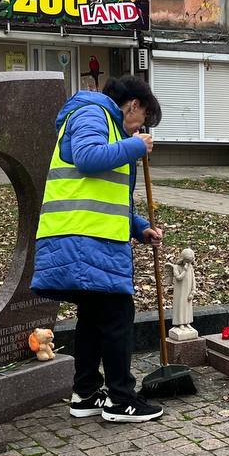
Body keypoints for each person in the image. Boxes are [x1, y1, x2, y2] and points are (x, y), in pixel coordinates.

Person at [31, 75, 166, 424]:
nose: (140, 128)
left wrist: (139, 229)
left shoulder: (103, 122)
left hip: (88, 236)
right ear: (133, 105)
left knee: (93, 317)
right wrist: (137, 146)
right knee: (119, 315)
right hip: (84, 238)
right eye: (143, 119)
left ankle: (86, 394)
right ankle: (121, 399)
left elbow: (106, 193)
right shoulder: (93, 112)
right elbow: (88, 158)